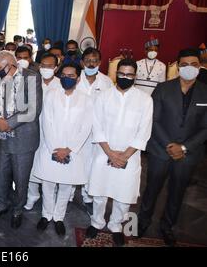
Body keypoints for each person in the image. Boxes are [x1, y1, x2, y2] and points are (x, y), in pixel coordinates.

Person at [138, 48, 207, 246]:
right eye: (184, 64)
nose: (189, 68)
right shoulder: (163, 89)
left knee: (177, 192)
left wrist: (184, 148)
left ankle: (167, 226)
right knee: (151, 189)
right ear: (178, 66)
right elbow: (154, 119)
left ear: (199, 66)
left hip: (188, 154)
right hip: (161, 149)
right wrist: (170, 145)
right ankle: (143, 222)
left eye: (194, 64)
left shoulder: (205, 91)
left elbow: (205, 127)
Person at [86, 58, 153, 247]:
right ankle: (96, 222)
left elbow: (144, 131)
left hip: (129, 156)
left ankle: (116, 225)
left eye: (129, 74)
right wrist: (110, 153)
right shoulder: (103, 96)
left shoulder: (145, 99)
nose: (125, 77)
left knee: (123, 195)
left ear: (135, 76)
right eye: (121, 73)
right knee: (99, 193)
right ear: (116, 74)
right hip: (103, 152)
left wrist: (124, 155)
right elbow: (96, 125)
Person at [33, 63, 93, 235]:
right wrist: (55, 148)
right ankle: (46, 215)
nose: (67, 78)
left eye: (71, 75)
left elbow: (86, 127)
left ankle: (59, 217)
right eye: (64, 75)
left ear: (78, 78)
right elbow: (46, 121)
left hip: (72, 151)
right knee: (48, 184)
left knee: (66, 186)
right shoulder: (51, 95)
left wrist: (69, 149)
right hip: (51, 148)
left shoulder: (86, 100)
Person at [0, 51, 43, 229]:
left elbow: (33, 110)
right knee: (1, 174)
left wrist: (9, 123)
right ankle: (1, 204)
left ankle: (18, 210)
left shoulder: (32, 78)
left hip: (23, 138)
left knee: (21, 178)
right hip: (3, 137)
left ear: (11, 65)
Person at [70, 47, 113, 214]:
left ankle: (87, 196)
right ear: (82, 63)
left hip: (96, 131)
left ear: (100, 63)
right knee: (73, 160)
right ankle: (69, 195)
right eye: (87, 61)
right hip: (74, 128)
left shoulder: (107, 82)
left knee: (91, 164)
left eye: (95, 61)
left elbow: (109, 108)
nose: (91, 64)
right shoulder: (74, 79)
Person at [25, 53, 61, 211]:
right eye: (43, 66)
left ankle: (51, 200)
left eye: (50, 66)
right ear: (39, 66)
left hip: (54, 133)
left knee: (51, 167)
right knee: (31, 165)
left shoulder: (61, 85)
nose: (46, 69)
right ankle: (32, 195)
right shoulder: (32, 82)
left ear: (56, 68)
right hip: (32, 130)